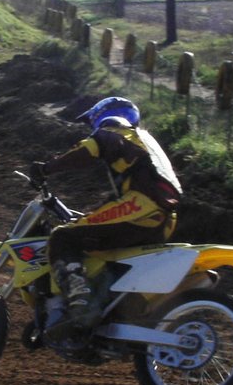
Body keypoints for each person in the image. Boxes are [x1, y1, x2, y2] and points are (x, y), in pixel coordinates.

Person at [29, 96, 182, 339]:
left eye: (93, 122)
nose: (93, 128)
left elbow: (90, 149)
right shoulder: (145, 142)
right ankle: (106, 312)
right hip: (164, 217)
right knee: (99, 248)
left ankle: (81, 305)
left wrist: (47, 168)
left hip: (142, 205)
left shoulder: (114, 132)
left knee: (63, 237)